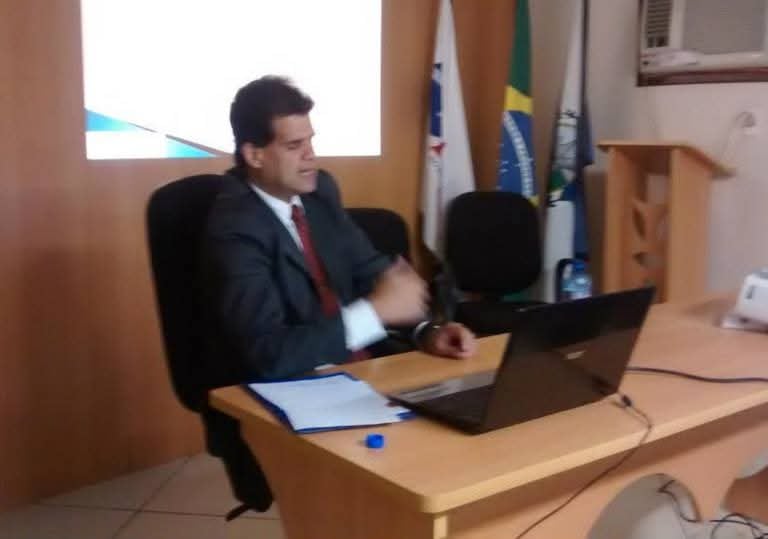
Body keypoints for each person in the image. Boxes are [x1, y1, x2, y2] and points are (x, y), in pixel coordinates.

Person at [198, 75, 477, 513]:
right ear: (254, 155)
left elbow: (370, 272)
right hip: (294, 392)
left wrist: (427, 330)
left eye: (311, 141)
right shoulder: (234, 229)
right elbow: (269, 354)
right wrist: (377, 311)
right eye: (294, 146)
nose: (311, 156)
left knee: (463, 448)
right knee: (414, 485)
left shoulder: (319, 192)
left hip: (362, 379)